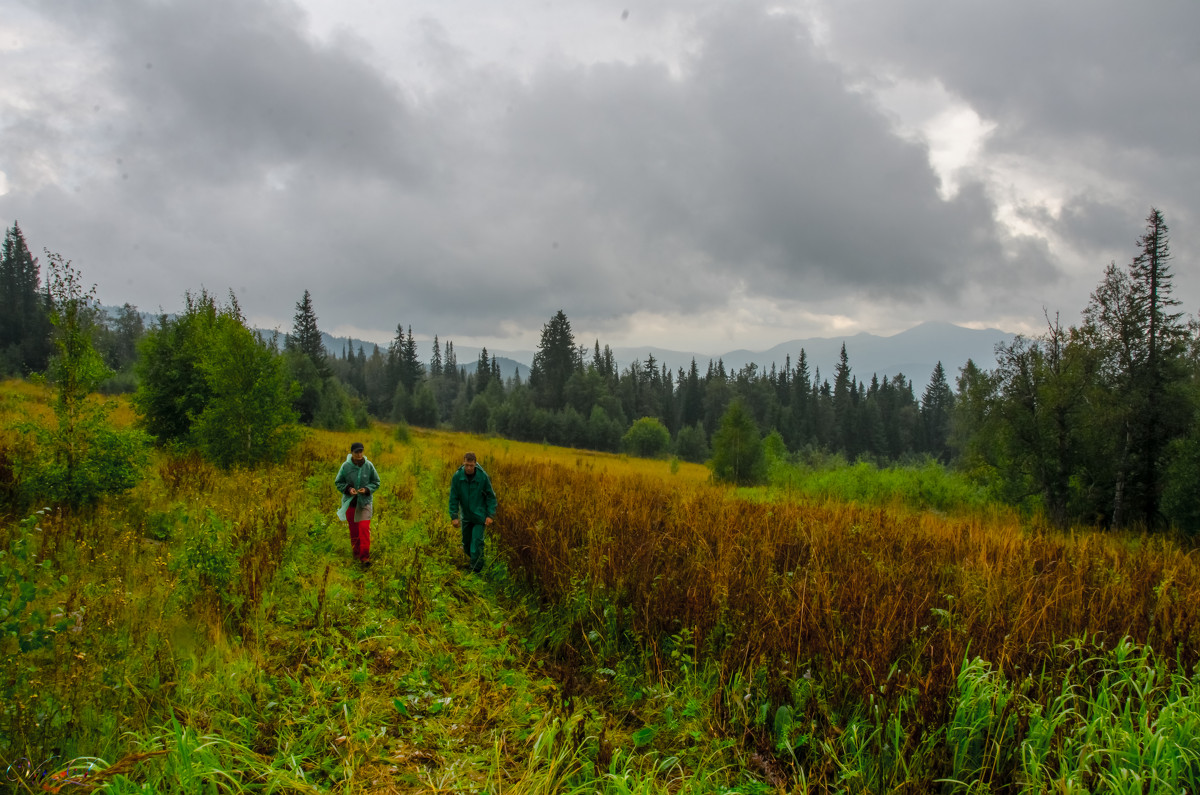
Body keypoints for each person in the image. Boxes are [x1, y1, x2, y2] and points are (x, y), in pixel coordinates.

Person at [448, 452, 498, 573]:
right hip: (466, 516)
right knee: (466, 543)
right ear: (463, 463)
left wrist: (490, 515)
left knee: (476, 542)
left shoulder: (483, 477)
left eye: (471, 465)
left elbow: (491, 497)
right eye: (467, 465)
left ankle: (476, 569)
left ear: (475, 464)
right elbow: (453, 497)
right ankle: (474, 561)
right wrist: (454, 516)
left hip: (479, 516)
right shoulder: (457, 477)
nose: (469, 468)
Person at [336, 442, 380, 566]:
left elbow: (376, 482)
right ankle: (356, 554)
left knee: (364, 528)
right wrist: (349, 489)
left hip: (365, 503)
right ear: (351, 453)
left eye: (361, 451)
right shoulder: (346, 466)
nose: (359, 454)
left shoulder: (369, 465)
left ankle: (365, 558)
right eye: (356, 452)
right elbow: (338, 482)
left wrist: (366, 489)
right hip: (351, 503)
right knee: (354, 531)